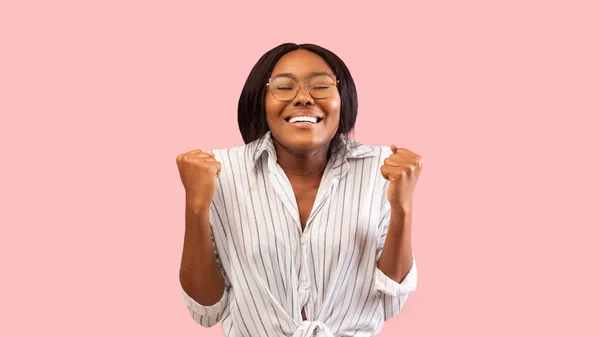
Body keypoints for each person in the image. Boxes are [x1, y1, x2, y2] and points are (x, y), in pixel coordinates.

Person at [176, 43, 423, 337]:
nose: (304, 98)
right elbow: (206, 308)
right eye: (283, 86)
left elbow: (391, 299)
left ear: (342, 99)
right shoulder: (218, 172)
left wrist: (402, 207)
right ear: (261, 100)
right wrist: (196, 206)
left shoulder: (382, 169)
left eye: (320, 86)